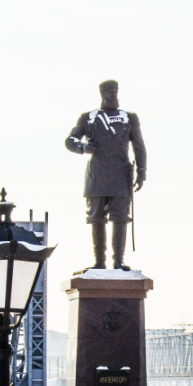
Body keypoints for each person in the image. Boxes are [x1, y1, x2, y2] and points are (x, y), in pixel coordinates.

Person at [65, 80, 146, 271]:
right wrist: (82, 147)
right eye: (109, 92)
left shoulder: (129, 118)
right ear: (102, 94)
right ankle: (99, 262)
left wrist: (141, 172)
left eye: (115, 92)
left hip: (121, 174)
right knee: (96, 217)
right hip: (97, 174)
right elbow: (70, 140)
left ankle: (118, 260)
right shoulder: (89, 117)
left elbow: (139, 146)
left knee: (120, 217)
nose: (112, 95)